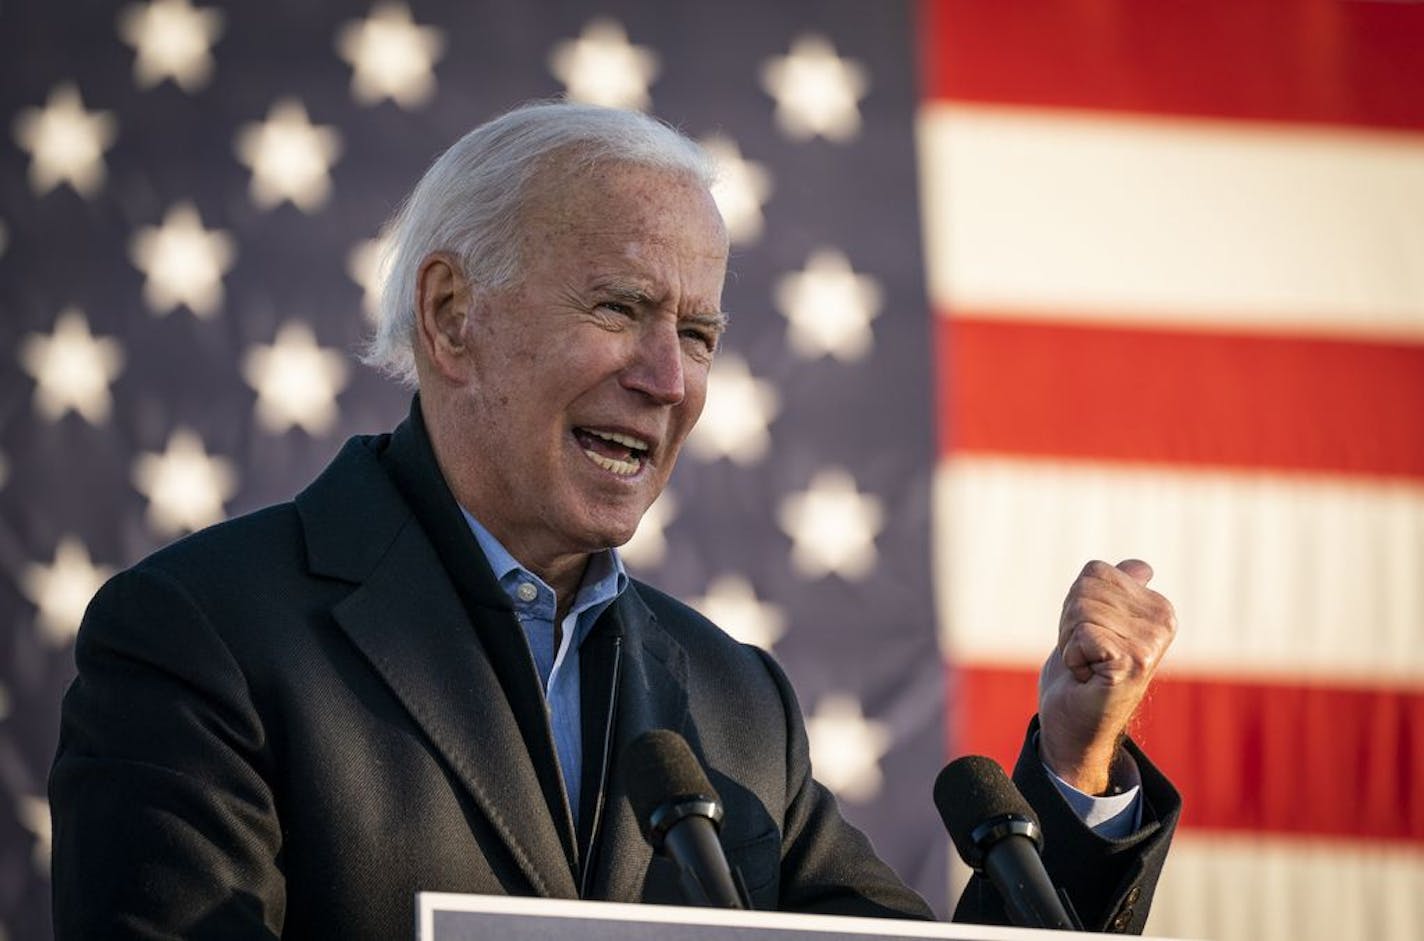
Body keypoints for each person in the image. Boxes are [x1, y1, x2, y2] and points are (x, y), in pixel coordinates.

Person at [50, 101, 1179, 938]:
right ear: (451, 318)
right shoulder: (202, 635)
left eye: (696, 333)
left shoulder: (736, 704)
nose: (667, 378)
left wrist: (1076, 767)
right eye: (619, 308)